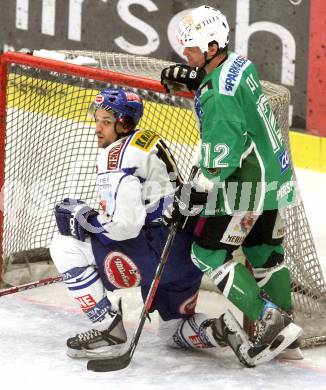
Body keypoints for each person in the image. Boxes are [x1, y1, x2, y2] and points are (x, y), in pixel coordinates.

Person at [49, 87, 253, 364]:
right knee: (171, 332)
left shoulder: (115, 158)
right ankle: (219, 328)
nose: (97, 128)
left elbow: (124, 228)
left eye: (106, 122)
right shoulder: (147, 139)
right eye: (96, 119)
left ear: (124, 123)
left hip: (153, 251)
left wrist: (85, 218)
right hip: (184, 251)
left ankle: (108, 330)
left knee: (63, 245)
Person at [161, 5, 303, 361]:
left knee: (206, 253)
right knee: (264, 253)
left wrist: (193, 193)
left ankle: (271, 322)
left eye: (191, 49)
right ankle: (288, 337)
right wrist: (199, 78)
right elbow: (231, 97)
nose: (185, 55)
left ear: (212, 47)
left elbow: (221, 157)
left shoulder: (217, 93)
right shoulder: (239, 64)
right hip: (275, 176)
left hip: (247, 186)